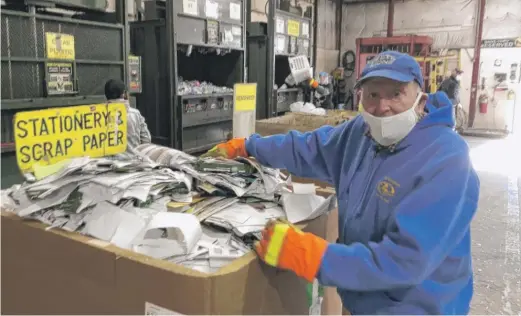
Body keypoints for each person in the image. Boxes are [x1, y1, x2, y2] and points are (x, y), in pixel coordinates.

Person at [203, 51, 480, 315]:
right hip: (361, 298)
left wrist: (314, 258)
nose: (382, 107)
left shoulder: (446, 158)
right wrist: (249, 147)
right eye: (373, 95)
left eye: (396, 94)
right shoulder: (360, 133)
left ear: (420, 99)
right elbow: (306, 147)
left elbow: (406, 260)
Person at [104, 79, 151, 159]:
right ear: (124, 94)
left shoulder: (97, 116)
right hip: (132, 163)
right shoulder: (135, 114)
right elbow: (146, 140)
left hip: (106, 166)